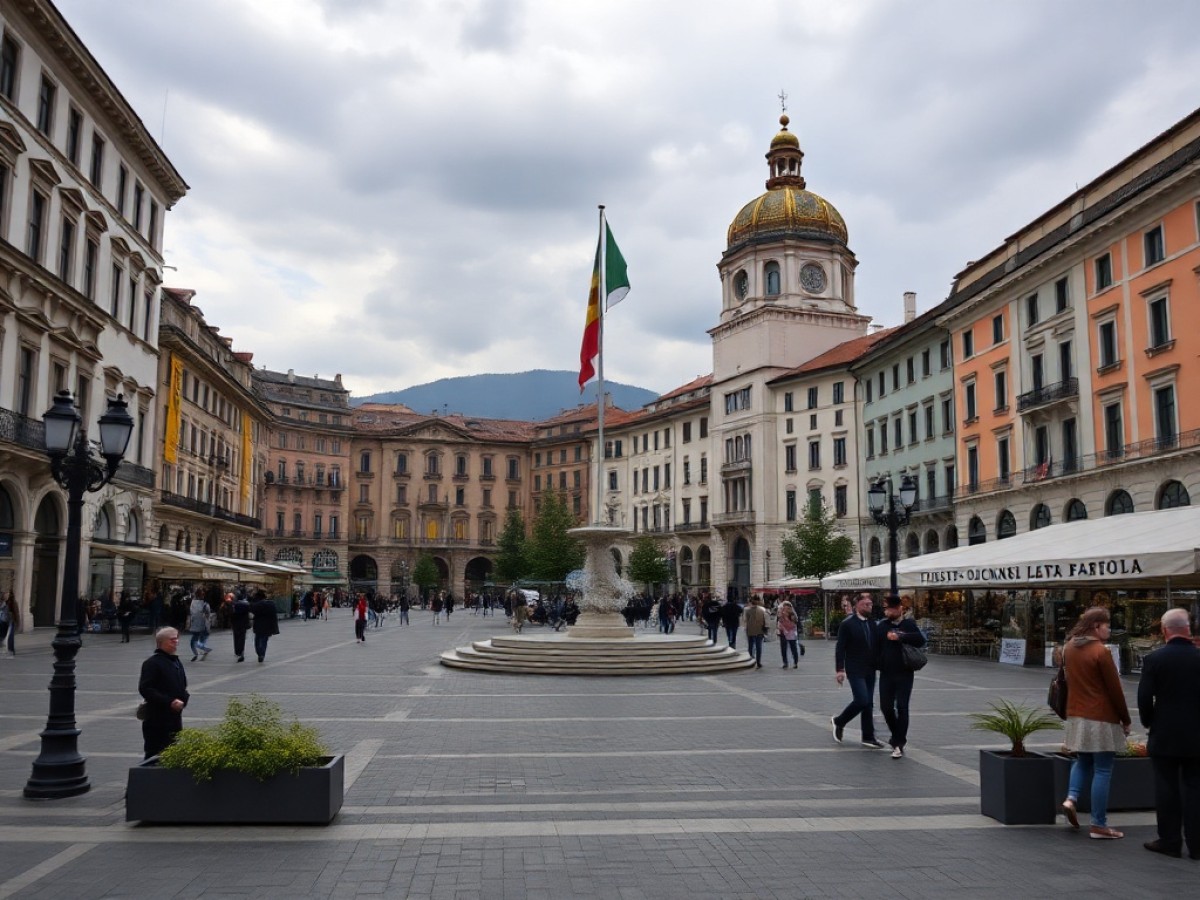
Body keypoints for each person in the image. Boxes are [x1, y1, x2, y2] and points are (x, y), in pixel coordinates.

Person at [1060, 606, 1131, 840]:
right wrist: (1126, 718)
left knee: (1083, 760)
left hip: (1076, 713)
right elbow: (1114, 689)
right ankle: (1099, 824)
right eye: (1107, 625)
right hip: (1100, 716)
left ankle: (1071, 798)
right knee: (1103, 768)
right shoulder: (1101, 651)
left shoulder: (1069, 647)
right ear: (1096, 626)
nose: (1109, 629)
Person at [1137, 607, 1200, 859]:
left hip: (1165, 734)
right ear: (1188, 630)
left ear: (1164, 631)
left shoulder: (1155, 660)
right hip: (1197, 735)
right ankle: (1197, 844)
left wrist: (1150, 721)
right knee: (1196, 788)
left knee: (1166, 787)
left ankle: (1170, 841)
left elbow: (1144, 698)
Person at [875, 595, 927, 759]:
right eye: (885, 609)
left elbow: (920, 640)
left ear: (899, 609)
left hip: (904, 672)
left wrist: (901, 636)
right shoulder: (882, 626)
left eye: (890, 608)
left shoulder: (908, 624)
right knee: (886, 707)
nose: (887, 612)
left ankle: (899, 741)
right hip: (886, 673)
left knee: (902, 707)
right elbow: (874, 645)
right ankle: (896, 735)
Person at [832, 592, 885, 749]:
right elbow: (840, 648)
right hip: (855, 668)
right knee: (862, 699)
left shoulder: (872, 623)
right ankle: (839, 721)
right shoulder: (848, 624)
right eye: (865, 604)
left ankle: (868, 737)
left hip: (870, 667)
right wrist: (840, 669)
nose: (869, 607)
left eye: (870, 604)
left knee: (868, 703)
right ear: (857, 606)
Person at [138, 627, 189, 759]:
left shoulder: (175, 661)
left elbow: (182, 684)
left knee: (172, 753)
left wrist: (184, 697)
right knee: (155, 756)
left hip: (174, 718)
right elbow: (146, 688)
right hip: (157, 720)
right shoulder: (152, 663)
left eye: (177, 638)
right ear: (162, 642)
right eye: (172, 640)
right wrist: (169, 702)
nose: (176, 642)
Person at [251, 590, 280, 663]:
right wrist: (274, 628)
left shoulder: (256, 605)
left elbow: (252, 611)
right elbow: (274, 617)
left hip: (258, 625)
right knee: (264, 640)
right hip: (268, 626)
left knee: (257, 640)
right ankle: (262, 653)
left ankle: (259, 653)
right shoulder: (271, 604)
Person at [187, 591, 212, 661]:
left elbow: (190, 613)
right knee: (202, 639)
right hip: (203, 625)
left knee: (193, 640)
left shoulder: (192, 603)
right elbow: (208, 615)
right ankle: (204, 649)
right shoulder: (205, 604)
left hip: (194, 624)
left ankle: (196, 653)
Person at [743, 596, 767, 669]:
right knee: (758, 646)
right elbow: (766, 619)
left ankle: (751, 660)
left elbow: (745, 620)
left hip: (750, 630)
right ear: (759, 601)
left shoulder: (746, 609)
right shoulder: (763, 609)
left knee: (751, 645)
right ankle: (758, 662)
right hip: (759, 630)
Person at [777, 599, 800, 668]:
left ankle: (792, 662)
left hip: (789, 632)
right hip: (785, 632)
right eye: (784, 607)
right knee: (788, 648)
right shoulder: (782, 613)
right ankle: (788, 663)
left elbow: (795, 622)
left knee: (790, 648)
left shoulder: (791, 614)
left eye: (787, 607)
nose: (785, 609)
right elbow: (780, 621)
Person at [230, 590, 251, 662]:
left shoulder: (233, 605)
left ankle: (237, 651)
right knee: (242, 638)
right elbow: (248, 614)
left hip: (235, 623)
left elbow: (231, 614)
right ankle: (241, 650)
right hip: (243, 624)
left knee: (236, 637)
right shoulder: (246, 605)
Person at [0, 590, 18, 656]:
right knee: (3, 635)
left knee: (10, 636)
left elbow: (16, 613)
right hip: (3, 620)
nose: (6, 596)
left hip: (10, 621)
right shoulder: (3, 603)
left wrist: (17, 621)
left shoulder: (13, 603)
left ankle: (11, 650)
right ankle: (9, 649)